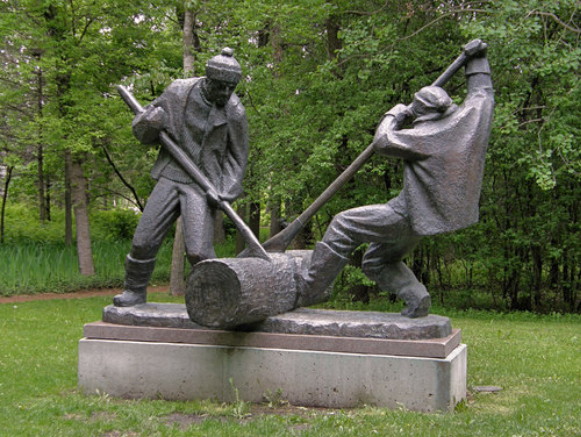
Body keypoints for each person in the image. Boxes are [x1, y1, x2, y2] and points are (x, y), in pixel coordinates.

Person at [297, 40, 494, 317]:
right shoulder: (472, 119)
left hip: (409, 214)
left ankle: (308, 287)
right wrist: (477, 59)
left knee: (343, 224)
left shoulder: (427, 136)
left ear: (423, 116)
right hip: (425, 217)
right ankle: (416, 297)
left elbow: (383, 141)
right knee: (377, 262)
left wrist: (395, 113)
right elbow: (482, 91)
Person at [114, 48, 249, 307]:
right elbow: (143, 132)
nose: (225, 94)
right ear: (208, 80)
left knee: (199, 251)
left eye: (230, 88)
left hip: (202, 184)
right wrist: (148, 124)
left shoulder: (235, 112)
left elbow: (237, 158)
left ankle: (214, 300)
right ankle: (134, 291)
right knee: (144, 240)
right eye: (220, 87)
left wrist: (224, 190)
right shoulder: (178, 92)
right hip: (171, 174)